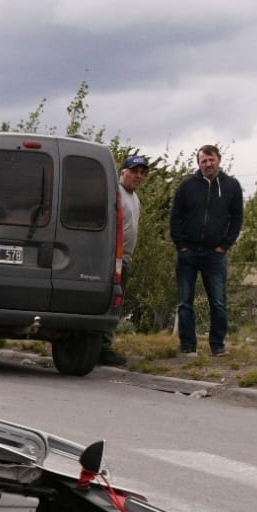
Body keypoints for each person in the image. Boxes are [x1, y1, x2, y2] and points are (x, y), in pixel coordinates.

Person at [170, 144, 244, 355]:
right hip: (188, 252)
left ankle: (217, 344)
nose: (208, 164)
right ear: (198, 163)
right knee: (185, 301)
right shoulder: (186, 186)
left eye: (211, 160)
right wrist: (181, 245)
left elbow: (237, 218)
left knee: (219, 302)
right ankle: (187, 345)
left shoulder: (231, 186)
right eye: (204, 160)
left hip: (215, 253)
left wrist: (225, 245)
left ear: (219, 160)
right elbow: (175, 217)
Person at [99, 154, 150, 367]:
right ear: (123, 173)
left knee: (117, 303)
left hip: (125, 258)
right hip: (113, 258)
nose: (138, 176)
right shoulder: (116, 193)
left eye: (142, 173)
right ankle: (103, 347)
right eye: (134, 171)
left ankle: (103, 345)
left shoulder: (134, 197)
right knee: (111, 302)